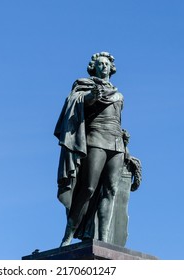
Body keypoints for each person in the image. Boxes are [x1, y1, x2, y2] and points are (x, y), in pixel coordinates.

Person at [54, 52, 126, 246]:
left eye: (106, 64)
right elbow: (79, 102)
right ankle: (68, 235)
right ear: (94, 67)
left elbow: (116, 120)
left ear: (112, 68)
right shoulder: (86, 86)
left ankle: (103, 240)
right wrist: (91, 96)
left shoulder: (119, 93)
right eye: (100, 64)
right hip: (96, 140)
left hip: (117, 144)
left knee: (110, 190)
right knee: (88, 188)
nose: (103, 67)